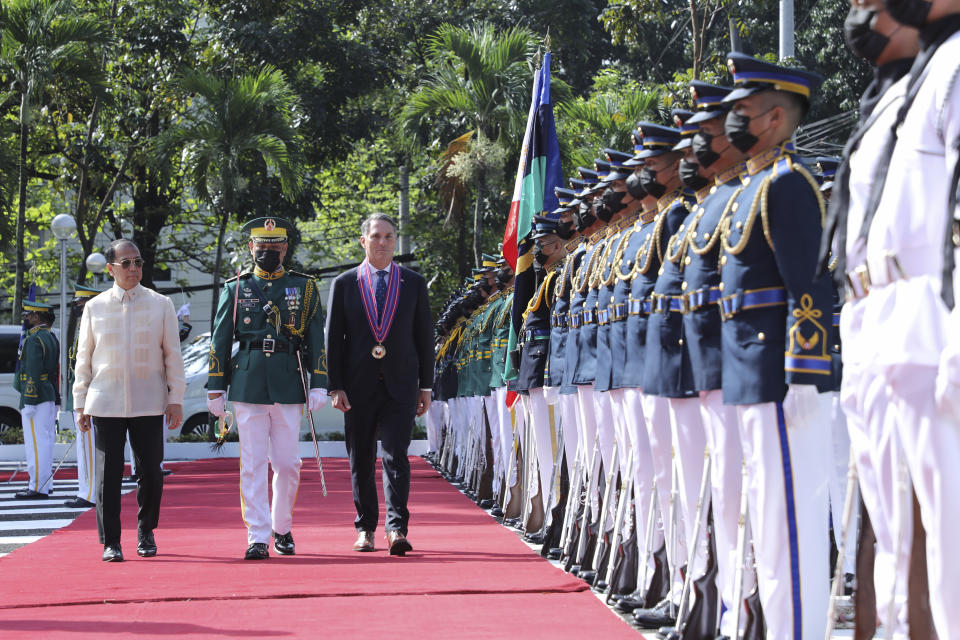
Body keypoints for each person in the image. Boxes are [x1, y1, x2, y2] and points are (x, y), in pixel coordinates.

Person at [207, 216, 328, 560]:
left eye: (274, 247)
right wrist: (216, 387)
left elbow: (316, 337)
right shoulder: (237, 287)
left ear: (285, 248)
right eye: (262, 247)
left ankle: (282, 527)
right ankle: (257, 535)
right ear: (251, 248)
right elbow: (219, 340)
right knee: (253, 463)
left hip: (289, 380)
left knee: (288, 463)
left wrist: (319, 381)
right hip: (248, 380)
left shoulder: (304, 287)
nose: (268, 252)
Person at [325, 213, 434, 556]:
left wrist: (426, 386)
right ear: (363, 241)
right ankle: (365, 528)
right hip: (357, 387)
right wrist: (335, 386)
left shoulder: (413, 283)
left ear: (395, 240)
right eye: (376, 236)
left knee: (396, 455)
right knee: (360, 459)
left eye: (389, 236)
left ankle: (396, 528)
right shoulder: (344, 283)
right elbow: (334, 341)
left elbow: (424, 337)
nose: (383, 242)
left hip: (401, 385)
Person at [73, 238, 185, 562]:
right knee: (108, 474)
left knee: (150, 471)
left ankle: (146, 529)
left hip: (149, 400)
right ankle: (111, 541)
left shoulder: (160, 304)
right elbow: (84, 358)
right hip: (106, 400)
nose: (133, 268)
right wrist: (80, 403)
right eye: (126, 263)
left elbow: (172, 357)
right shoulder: (94, 308)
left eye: (137, 262)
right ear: (111, 268)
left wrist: (175, 398)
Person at [13, 300, 59, 500]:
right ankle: (45, 484)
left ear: (38, 317)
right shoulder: (50, 336)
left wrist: (29, 399)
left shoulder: (33, 340)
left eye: (30, 315)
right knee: (45, 441)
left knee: (36, 444)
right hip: (47, 393)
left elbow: (32, 371)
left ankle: (38, 487)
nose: (27, 318)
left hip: (36, 396)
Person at [64, 283, 101, 509]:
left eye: (82, 304)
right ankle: (88, 490)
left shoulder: (95, 327)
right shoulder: (87, 326)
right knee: (86, 446)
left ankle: (89, 494)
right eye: (78, 305)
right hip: (85, 394)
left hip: (91, 396)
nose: (78, 309)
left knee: (89, 446)